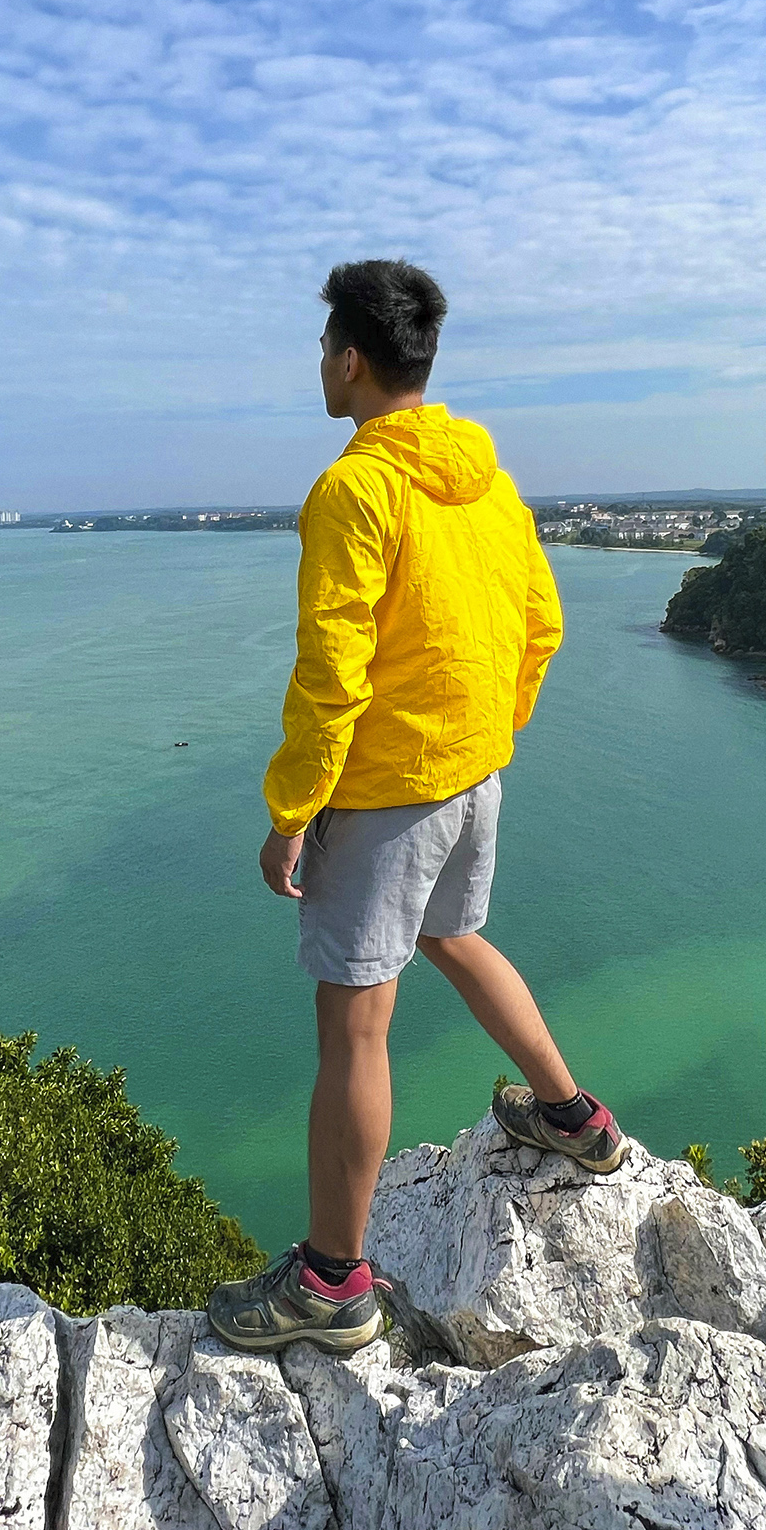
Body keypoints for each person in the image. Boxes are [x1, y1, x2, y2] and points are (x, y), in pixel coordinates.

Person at [207, 259, 625, 1358]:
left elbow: (331, 674)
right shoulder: (482, 478)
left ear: (349, 357)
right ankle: (573, 1118)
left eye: (321, 350)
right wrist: (487, 732)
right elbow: (540, 625)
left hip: (390, 792)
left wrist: (292, 808)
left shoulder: (353, 490)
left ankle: (332, 1282)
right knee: (455, 934)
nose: (318, 368)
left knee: (353, 1022)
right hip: (472, 773)